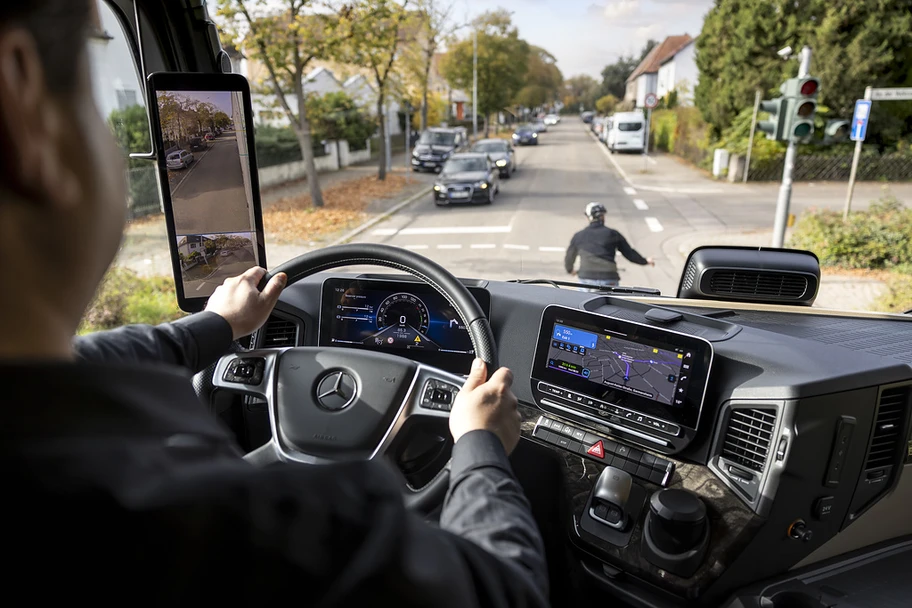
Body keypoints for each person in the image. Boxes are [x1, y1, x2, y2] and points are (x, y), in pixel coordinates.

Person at [0, 2, 547, 605]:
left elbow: (89, 362)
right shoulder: (225, 527)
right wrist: (480, 445)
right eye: (94, 101)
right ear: (21, 101)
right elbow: (508, 591)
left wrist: (216, 326)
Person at [565, 202, 655, 288]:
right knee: (610, 299)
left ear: (588, 217)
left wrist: (570, 270)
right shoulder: (613, 234)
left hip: (587, 277)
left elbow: (570, 256)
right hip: (608, 277)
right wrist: (645, 261)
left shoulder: (579, 236)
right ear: (602, 216)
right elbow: (629, 253)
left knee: (585, 298)